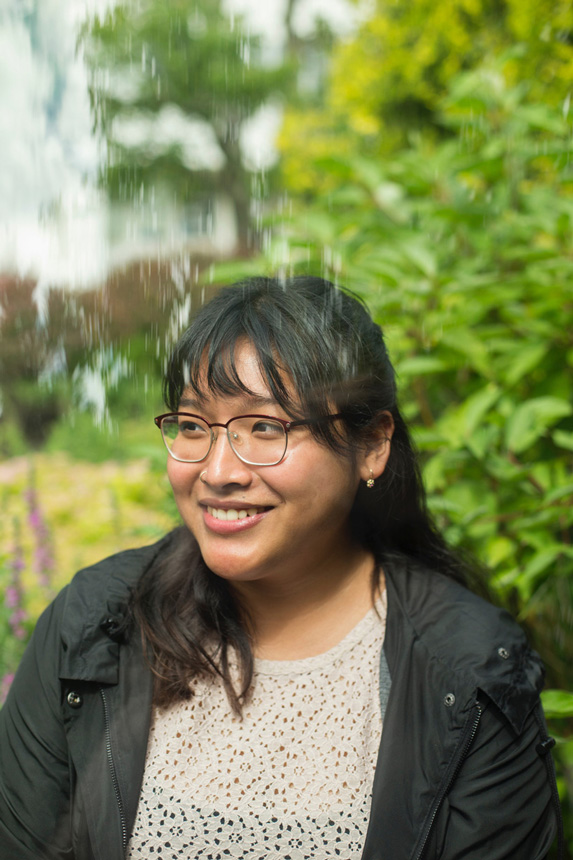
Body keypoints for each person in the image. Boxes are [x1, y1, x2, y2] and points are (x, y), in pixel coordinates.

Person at [0, 276, 563, 860]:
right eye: (193, 426)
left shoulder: (472, 673)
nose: (218, 470)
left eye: (265, 427)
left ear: (372, 443)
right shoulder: (92, 630)